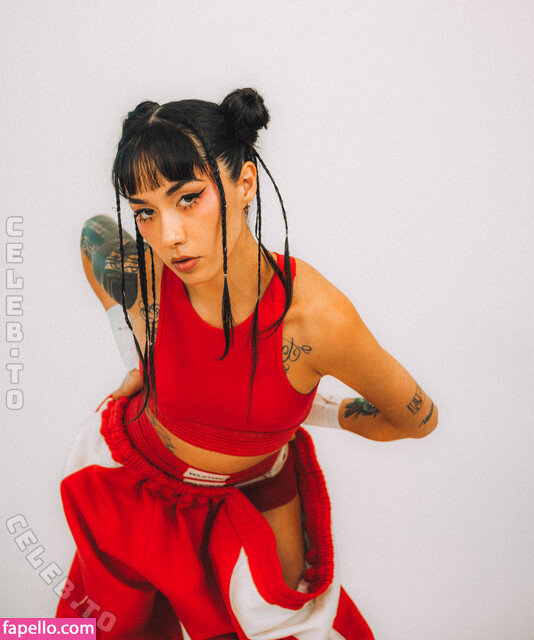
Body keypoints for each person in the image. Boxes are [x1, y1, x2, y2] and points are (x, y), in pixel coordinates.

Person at [55, 88, 438, 639]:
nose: (169, 236)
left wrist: (314, 412)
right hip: (135, 480)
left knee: (284, 627)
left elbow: (417, 419)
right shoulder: (148, 280)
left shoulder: (313, 318)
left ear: (245, 184)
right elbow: (94, 237)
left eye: (189, 198)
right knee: (97, 631)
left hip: (255, 493)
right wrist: (141, 357)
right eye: (145, 212)